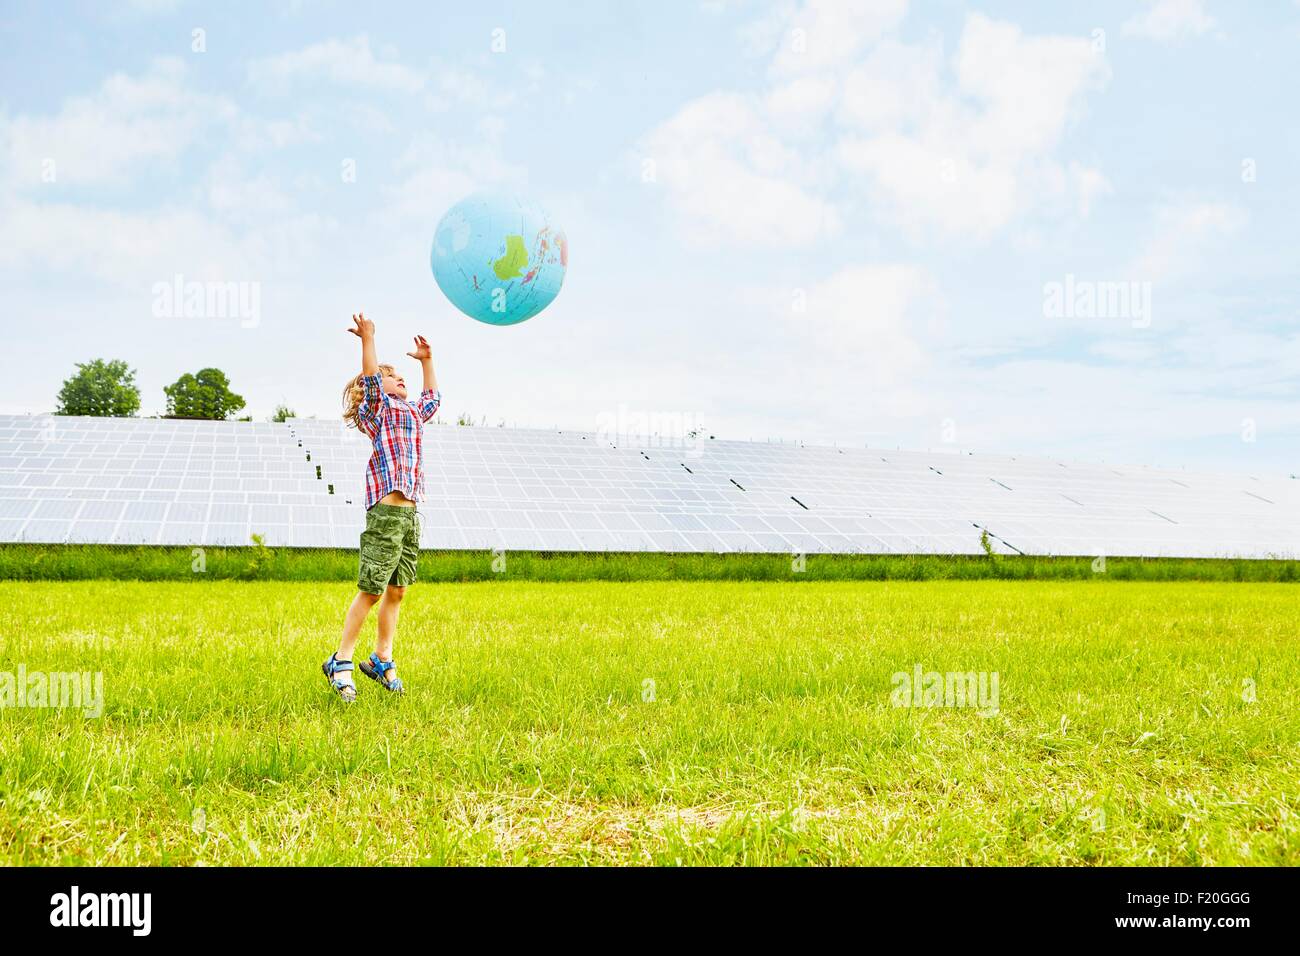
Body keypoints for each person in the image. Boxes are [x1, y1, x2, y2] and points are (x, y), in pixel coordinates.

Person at [322, 312, 440, 701]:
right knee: (372, 590)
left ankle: (381, 658)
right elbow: (372, 378)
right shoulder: (380, 410)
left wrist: (425, 362)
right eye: (394, 377)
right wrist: (368, 339)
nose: (398, 379)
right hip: (386, 512)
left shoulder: (413, 413)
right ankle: (340, 661)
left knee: (397, 590)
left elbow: (432, 399)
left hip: (410, 514)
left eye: (400, 376)